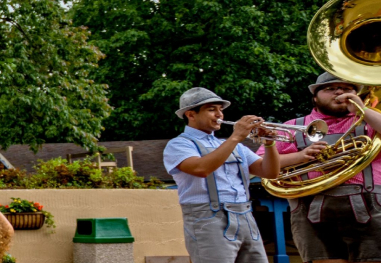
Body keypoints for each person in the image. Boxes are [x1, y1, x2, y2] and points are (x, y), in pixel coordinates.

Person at [259, 73, 381, 263]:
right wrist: (300, 156)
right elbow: (259, 166)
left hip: (369, 205)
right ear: (314, 97)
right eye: (330, 88)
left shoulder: (370, 121)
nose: (339, 92)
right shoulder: (292, 127)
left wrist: (362, 109)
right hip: (310, 208)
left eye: (347, 88)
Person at [162, 87, 280, 263]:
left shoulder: (232, 145)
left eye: (220, 109)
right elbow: (201, 169)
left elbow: (269, 172)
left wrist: (270, 144)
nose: (219, 115)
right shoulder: (179, 144)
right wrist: (236, 137)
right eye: (211, 109)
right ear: (190, 115)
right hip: (208, 217)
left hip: (245, 214)